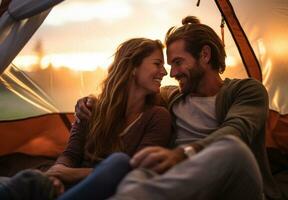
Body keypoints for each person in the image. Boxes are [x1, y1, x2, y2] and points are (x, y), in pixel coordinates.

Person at [76, 16, 283, 200]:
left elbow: (237, 131)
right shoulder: (171, 96)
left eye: (178, 62)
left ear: (204, 55)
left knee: (233, 149)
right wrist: (91, 101)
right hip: (184, 185)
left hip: (233, 185)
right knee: (138, 172)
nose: (172, 73)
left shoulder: (246, 90)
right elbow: (130, 95)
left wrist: (182, 154)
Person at [0, 38, 172, 200]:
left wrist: (70, 174)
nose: (164, 72)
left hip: (107, 188)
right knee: (30, 180)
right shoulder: (90, 108)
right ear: (133, 67)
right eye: (157, 64)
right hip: (69, 188)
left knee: (119, 162)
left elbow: (136, 170)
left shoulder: (157, 117)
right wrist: (56, 173)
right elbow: (70, 154)